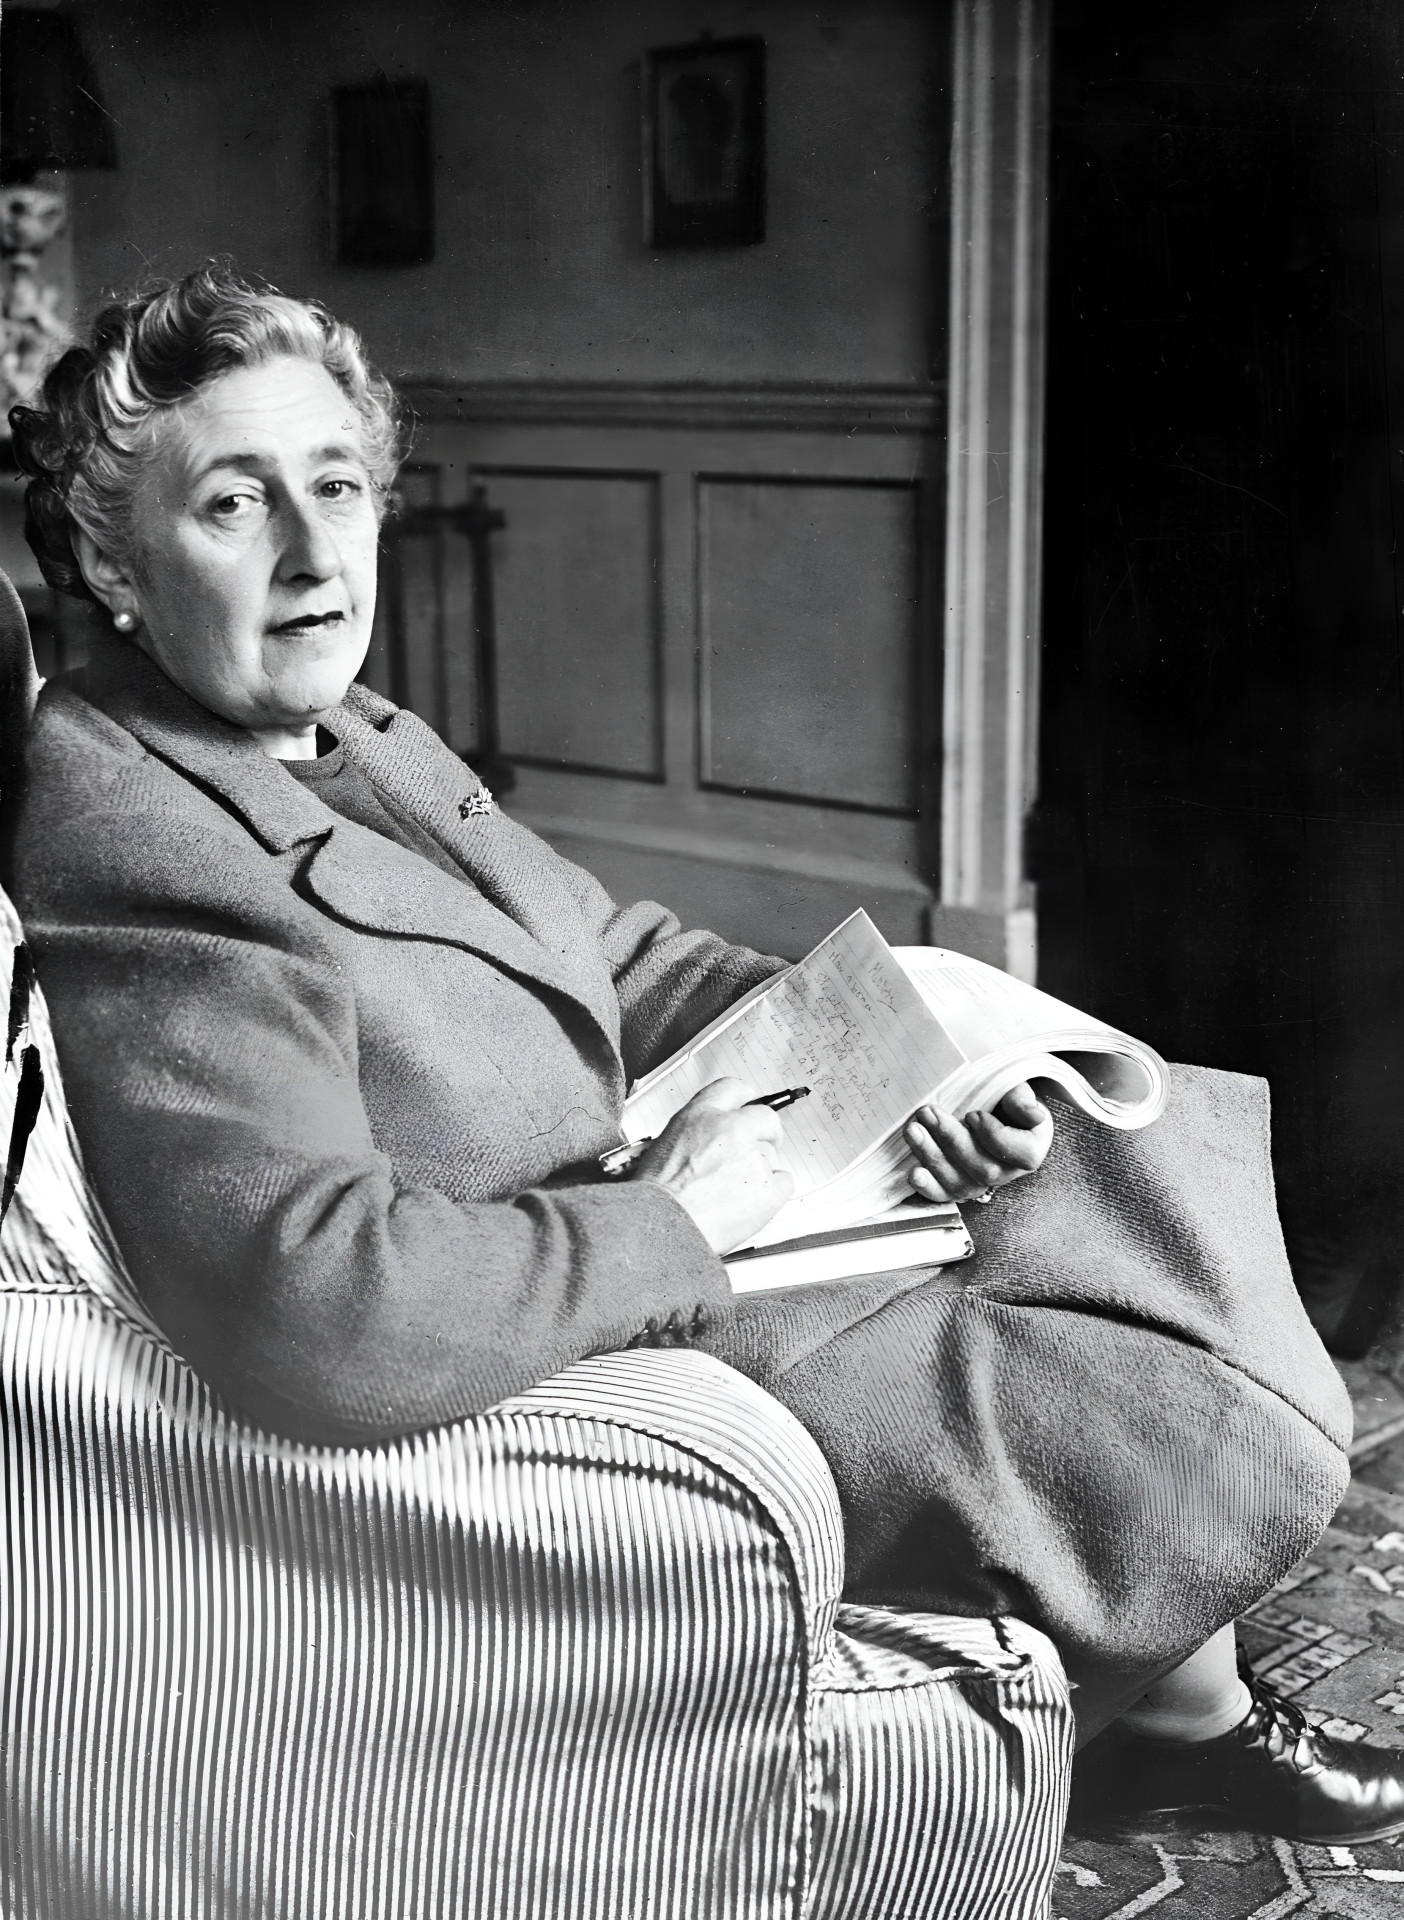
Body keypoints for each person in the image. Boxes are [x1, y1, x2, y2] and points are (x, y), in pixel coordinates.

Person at [6, 264, 1402, 1846]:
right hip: (568, 1333)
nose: (317, 553)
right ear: (112, 561)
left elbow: (605, 951)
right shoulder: (145, 842)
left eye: (335, 485)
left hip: (647, 1201)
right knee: (1117, 1390)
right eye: (234, 504)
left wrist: (905, 1046)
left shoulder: (348, 734)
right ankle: (1185, 1720)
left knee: (1097, 1171)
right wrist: (676, 1218)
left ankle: (1159, 1692)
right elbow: (318, 1303)